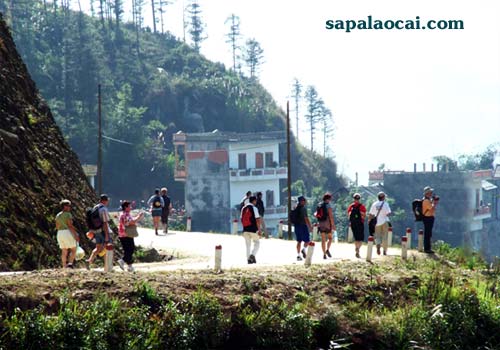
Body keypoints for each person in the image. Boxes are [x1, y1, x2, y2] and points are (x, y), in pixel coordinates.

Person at [86, 194, 112, 268]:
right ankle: (107, 266)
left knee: (98, 248)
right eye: (107, 200)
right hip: (103, 231)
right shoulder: (103, 209)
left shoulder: (95, 208)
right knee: (108, 247)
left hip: (96, 231)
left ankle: (89, 260)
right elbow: (105, 222)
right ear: (105, 200)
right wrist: (107, 235)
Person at [117, 201, 144, 272]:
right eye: (129, 206)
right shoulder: (125, 214)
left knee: (127, 250)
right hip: (126, 234)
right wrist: (139, 216)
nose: (131, 208)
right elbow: (132, 222)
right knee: (131, 249)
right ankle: (122, 261)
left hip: (122, 234)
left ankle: (130, 266)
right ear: (125, 207)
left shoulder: (123, 214)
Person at [55, 199, 80, 268]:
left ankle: (64, 266)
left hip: (59, 233)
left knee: (64, 250)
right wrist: (75, 235)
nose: (69, 207)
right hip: (67, 232)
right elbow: (70, 225)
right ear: (64, 206)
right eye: (68, 206)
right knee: (74, 249)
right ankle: (70, 264)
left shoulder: (58, 215)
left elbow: (57, 226)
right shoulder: (68, 214)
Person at [368, 191, 392, 255]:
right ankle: (384, 250)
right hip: (384, 221)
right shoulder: (386, 204)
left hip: (376, 222)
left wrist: (369, 220)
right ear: (383, 197)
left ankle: (378, 247)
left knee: (377, 236)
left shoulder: (374, 204)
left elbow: (370, 214)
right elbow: (388, 213)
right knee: (385, 236)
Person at [240, 195, 261, 264]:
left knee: (247, 245)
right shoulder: (254, 208)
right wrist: (259, 230)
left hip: (245, 229)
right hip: (253, 229)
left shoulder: (244, 208)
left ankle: (248, 259)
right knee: (257, 243)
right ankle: (253, 255)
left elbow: (241, 219)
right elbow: (257, 220)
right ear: (254, 201)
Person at [294, 196, 313, 261]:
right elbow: (306, 219)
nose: (305, 202)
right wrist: (310, 227)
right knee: (307, 241)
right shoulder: (303, 209)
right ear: (302, 201)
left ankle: (298, 255)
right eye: (304, 201)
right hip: (303, 226)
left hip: (296, 226)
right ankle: (304, 249)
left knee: (299, 241)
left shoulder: (295, 208)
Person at [347, 193, 367, 258]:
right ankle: (358, 248)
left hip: (353, 224)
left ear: (353, 198)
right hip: (360, 223)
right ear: (359, 199)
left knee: (356, 237)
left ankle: (356, 248)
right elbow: (364, 216)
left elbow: (349, 215)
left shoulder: (351, 206)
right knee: (360, 238)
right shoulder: (362, 206)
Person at [317, 193, 336, 260]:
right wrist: (333, 225)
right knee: (330, 238)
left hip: (321, 223)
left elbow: (316, 214)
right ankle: (327, 249)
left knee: (323, 240)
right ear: (328, 199)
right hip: (327, 223)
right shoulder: (328, 206)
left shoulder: (319, 205)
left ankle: (324, 254)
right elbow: (330, 216)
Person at [422, 186, 439, 254]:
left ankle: (428, 248)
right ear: (427, 193)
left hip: (428, 218)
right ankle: (427, 248)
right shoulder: (426, 201)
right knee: (428, 233)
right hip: (428, 218)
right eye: (430, 192)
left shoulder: (427, 200)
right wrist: (434, 203)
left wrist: (432, 201)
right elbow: (432, 210)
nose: (431, 193)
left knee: (428, 233)